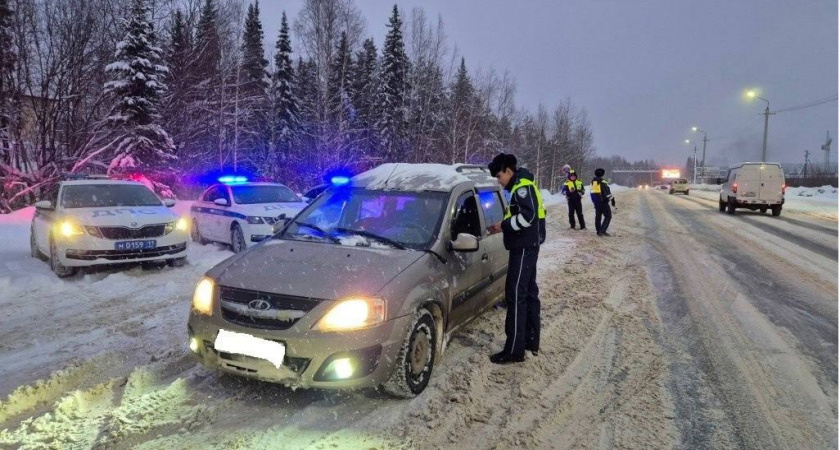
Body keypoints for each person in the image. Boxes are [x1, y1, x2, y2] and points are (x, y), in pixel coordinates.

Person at [487, 153, 545, 364]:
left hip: (523, 247)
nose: (498, 180)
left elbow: (527, 217)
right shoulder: (523, 184)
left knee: (516, 295)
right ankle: (530, 340)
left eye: (499, 175)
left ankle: (514, 350)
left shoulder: (521, 187)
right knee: (529, 293)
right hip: (528, 245)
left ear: (508, 170)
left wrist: (502, 225)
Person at [590, 168, 615, 236]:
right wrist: (611, 199)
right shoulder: (602, 181)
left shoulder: (593, 182)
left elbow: (592, 192)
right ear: (602, 174)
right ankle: (602, 230)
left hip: (596, 202)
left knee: (598, 216)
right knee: (608, 216)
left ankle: (598, 231)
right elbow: (606, 192)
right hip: (603, 201)